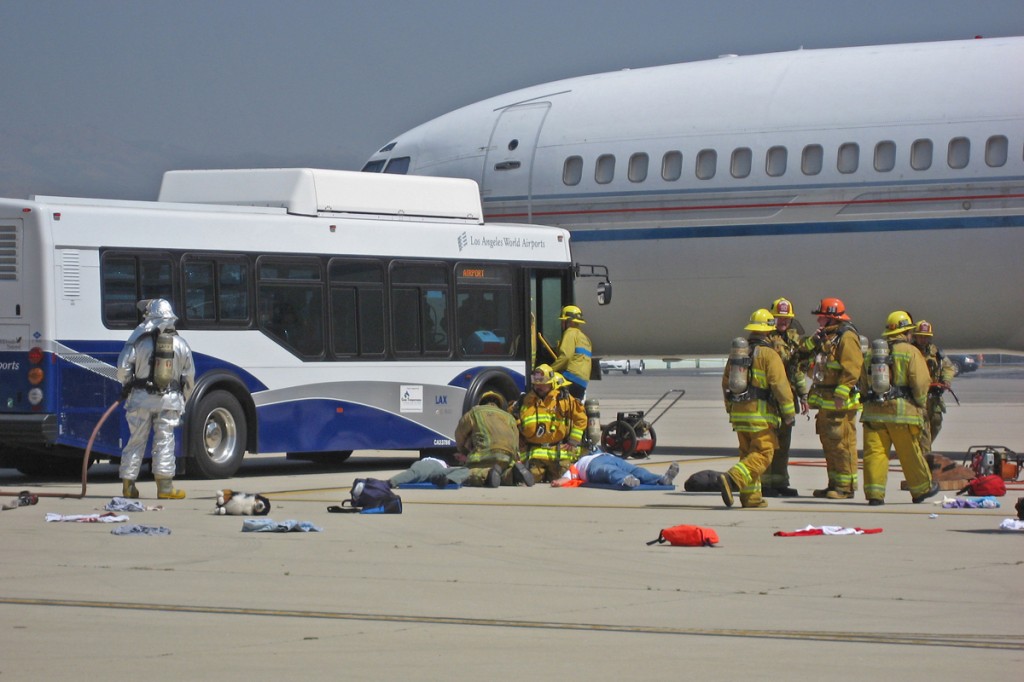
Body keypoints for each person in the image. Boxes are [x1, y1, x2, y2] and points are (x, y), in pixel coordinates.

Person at [116, 299, 195, 500]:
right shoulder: (181, 344)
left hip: (140, 399)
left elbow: (122, 369)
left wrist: (128, 385)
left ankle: (128, 487)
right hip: (170, 400)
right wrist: (182, 399)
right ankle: (165, 488)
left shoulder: (138, 342)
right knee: (165, 441)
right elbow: (189, 378)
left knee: (136, 441)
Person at [718, 309, 796, 508]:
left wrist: (730, 408)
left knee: (748, 455)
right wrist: (788, 414)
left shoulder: (737, 355)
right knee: (764, 453)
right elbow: (780, 385)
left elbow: (726, 382)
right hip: (760, 415)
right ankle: (732, 478)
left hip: (739, 414)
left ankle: (751, 499)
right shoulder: (769, 355)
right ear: (769, 331)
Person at [859, 311, 939, 505]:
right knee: (909, 452)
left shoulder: (871, 353)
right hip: (902, 414)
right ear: (906, 332)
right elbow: (920, 382)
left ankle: (875, 495)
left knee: (875, 454)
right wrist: (920, 404)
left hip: (873, 413)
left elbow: (862, 383)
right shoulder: (911, 351)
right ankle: (921, 490)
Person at [803, 297, 863, 500]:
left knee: (842, 444)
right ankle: (834, 483)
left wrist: (842, 392)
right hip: (826, 401)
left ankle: (846, 487)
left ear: (831, 318)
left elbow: (852, 367)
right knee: (829, 444)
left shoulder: (846, 337)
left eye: (821, 317)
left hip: (840, 403)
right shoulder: (827, 337)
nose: (818, 321)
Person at [761, 297, 810, 497]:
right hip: (770, 400)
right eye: (779, 318)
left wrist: (803, 396)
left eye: (786, 319)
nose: (783, 322)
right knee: (768, 443)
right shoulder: (766, 339)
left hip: (787, 398)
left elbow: (796, 370)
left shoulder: (793, 339)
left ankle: (780, 482)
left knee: (783, 444)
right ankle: (765, 484)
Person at [513, 364, 588, 483]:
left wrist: (573, 440)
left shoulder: (564, 399)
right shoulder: (526, 401)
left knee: (566, 478)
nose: (539, 386)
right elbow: (514, 420)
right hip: (535, 454)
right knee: (527, 479)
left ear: (551, 383)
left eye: (543, 384)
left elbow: (581, 418)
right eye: (536, 384)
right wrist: (519, 438)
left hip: (559, 453)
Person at [455, 391, 533, 487]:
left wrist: (462, 450)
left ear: (481, 403)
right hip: (508, 458)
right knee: (501, 474)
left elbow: (460, 433)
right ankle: (512, 474)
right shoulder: (509, 417)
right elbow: (515, 442)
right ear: (499, 405)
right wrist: (516, 459)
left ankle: (487, 475)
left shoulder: (475, 412)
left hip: (484, 456)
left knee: (465, 473)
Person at [912, 320, 956, 454]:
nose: (923, 339)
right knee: (922, 425)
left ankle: (924, 447)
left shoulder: (936, 353)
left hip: (933, 395)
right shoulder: (911, 351)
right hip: (917, 396)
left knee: (936, 421)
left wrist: (946, 380)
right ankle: (923, 451)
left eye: (926, 336)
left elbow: (948, 368)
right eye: (920, 336)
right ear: (915, 336)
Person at [552, 452, 680, 489]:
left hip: (610, 458)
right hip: (591, 467)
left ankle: (662, 479)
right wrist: (558, 482)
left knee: (636, 469)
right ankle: (626, 479)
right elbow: (566, 478)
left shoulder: (591, 453)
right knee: (609, 471)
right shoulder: (577, 465)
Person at [550, 305, 592, 401]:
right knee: (572, 407)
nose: (561, 324)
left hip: (569, 378)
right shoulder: (585, 338)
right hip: (582, 383)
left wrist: (550, 370)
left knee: (546, 391)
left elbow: (566, 356)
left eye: (562, 321)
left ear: (568, 321)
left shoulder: (570, 333)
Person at [387, 457, 470, 488]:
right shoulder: (430, 460)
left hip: (438, 470)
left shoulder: (443, 464)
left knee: (465, 469)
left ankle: (447, 479)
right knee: (416, 473)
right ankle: (390, 482)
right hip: (432, 465)